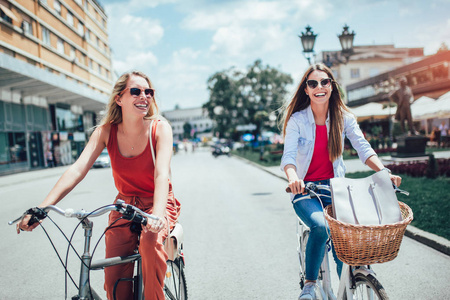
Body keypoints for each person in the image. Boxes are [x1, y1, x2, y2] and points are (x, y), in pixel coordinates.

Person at [16, 71, 180, 300]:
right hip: (125, 207)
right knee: (113, 279)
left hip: (157, 204)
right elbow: (77, 169)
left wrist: (159, 216)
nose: (144, 96)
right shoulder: (105, 132)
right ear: (119, 98)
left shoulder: (160, 128)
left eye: (148, 92)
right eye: (136, 91)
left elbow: (162, 175)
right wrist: (42, 208)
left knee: (150, 243)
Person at [280, 63, 402, 300]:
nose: (319, 87)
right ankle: (310, 284)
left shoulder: (344, 118)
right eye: (312, 83)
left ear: (332, 86)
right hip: (306, 191)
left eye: (324, 82)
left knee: (344, 249)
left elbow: (363, 149)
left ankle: (348, 287)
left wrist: (384, 171)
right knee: (321, 226)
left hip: (336, 190)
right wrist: (294, 178)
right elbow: (289, 157)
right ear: (306, 90)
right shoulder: (297, 120)